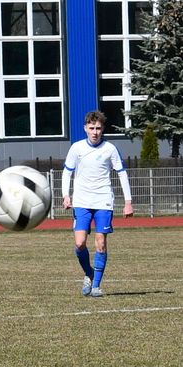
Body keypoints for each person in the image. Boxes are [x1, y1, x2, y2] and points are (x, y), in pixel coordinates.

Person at [61, 110, 134, 297]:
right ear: (85, 128)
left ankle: (96, 286)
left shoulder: (110, 149)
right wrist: (66, 195)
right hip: (81, 201)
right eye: (92, 128)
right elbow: (67, 172)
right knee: (79, 244)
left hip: (103, 201)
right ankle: (89, 273)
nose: (95, 132)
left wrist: (128, 202)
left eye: (98, 128)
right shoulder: (76, 148)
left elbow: (122, 173)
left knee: (100, 243)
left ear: (103, 129)